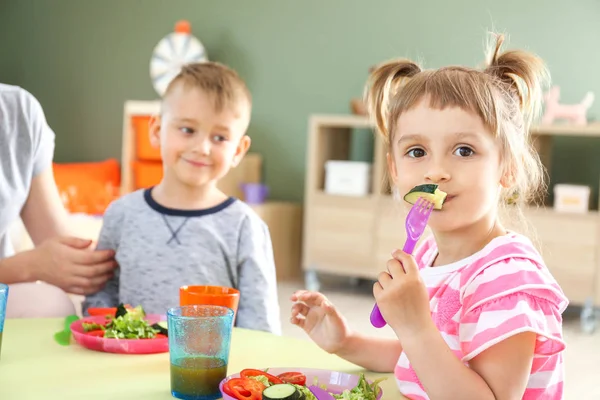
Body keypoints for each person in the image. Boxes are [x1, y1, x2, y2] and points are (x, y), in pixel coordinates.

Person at [290, 34, 568, 399]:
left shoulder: (509, 278)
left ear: (508, 168)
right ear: (394, 168)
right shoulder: (426, 255)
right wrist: (345, 342)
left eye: (464, 150)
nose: (435, 171)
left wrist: (417, 325)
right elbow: (419, 360)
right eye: (417, 151)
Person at [82, 62, 282, 335]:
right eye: (187, 130)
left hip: (209, 371)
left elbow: (260, 326)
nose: (202, 148)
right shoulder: (121, 214)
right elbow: (99, 299)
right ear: (156, 130)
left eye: (220, 137)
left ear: (239, 149)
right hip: (126, 361)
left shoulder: (245, 226)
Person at [0, 83, 117, 316]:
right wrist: (30, 265)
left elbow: (60, 244)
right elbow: (42, 262)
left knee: (52, 304)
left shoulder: (18, 111)